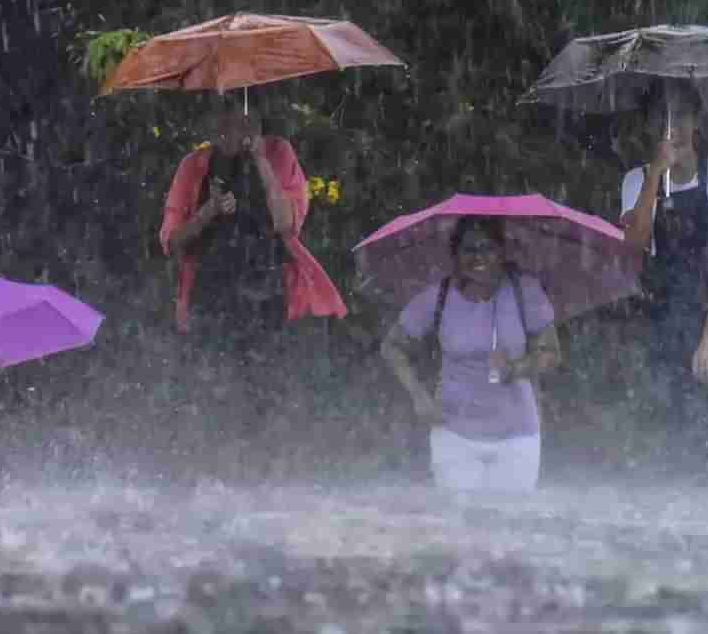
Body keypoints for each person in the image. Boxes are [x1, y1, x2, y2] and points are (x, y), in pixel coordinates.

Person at [159, 109, 346, 476]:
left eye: (237, 118)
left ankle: (268, 475)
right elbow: (172, 242)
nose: (228, 128)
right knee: (212, 394)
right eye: (220, 118)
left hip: (269, 295)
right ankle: (212, 473)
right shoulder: (195, 165)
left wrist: (260, 160)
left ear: (255, 119)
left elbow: (286, 223)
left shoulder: (279, 153)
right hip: (211, 297)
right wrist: (209, 211)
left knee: (268, 395)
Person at [619, 84, 708, 480]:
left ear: (696, 121)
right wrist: (656, 176)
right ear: (649, 125)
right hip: (668, 318)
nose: (672, 126)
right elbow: (634, 246)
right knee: (676, 425)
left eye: (680, 115)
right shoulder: (636, 180)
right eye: (662, 116)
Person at [380, 216, 561, 492]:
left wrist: (517, 367)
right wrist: (419, 395)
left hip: (517, 435)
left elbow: (551, 352)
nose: (479, 257)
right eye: (469, 249)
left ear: (502, 252)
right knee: (457, 528)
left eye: (487, 248)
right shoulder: (438, 296)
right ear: (455, 254)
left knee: (512, 526)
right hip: (452, 433)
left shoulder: (524, 291)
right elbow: (391, 346)